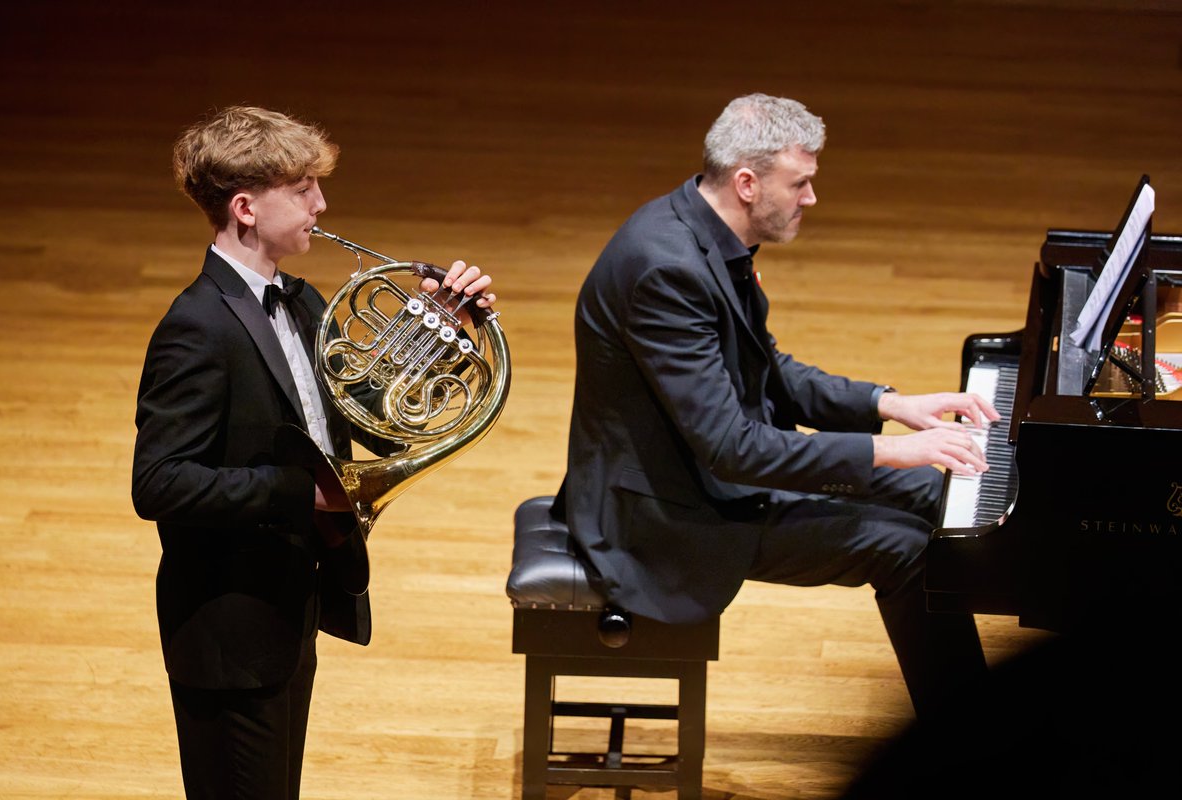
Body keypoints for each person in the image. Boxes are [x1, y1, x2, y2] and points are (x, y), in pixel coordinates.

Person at [557, 93, 999, 722]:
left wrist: (892, 405)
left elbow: (770, 371)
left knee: (939, 496)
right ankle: (972, 743)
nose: (810, 198)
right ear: (746, 183)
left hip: (707, 476)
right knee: (909, 549)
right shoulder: (666, 271)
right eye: (800, 183)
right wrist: (888, 450)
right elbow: (731, 447)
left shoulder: (704, 233)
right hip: (667, 515)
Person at [131, 105, 496, 799]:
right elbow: (159, 483)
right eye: (301, 190)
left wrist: (444, 333)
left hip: (289, 604)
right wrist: (305, 495)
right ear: (245, 207)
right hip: (228, 632)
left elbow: (378, 424)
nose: (321, 204)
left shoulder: (301, 303)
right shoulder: (195, 329)